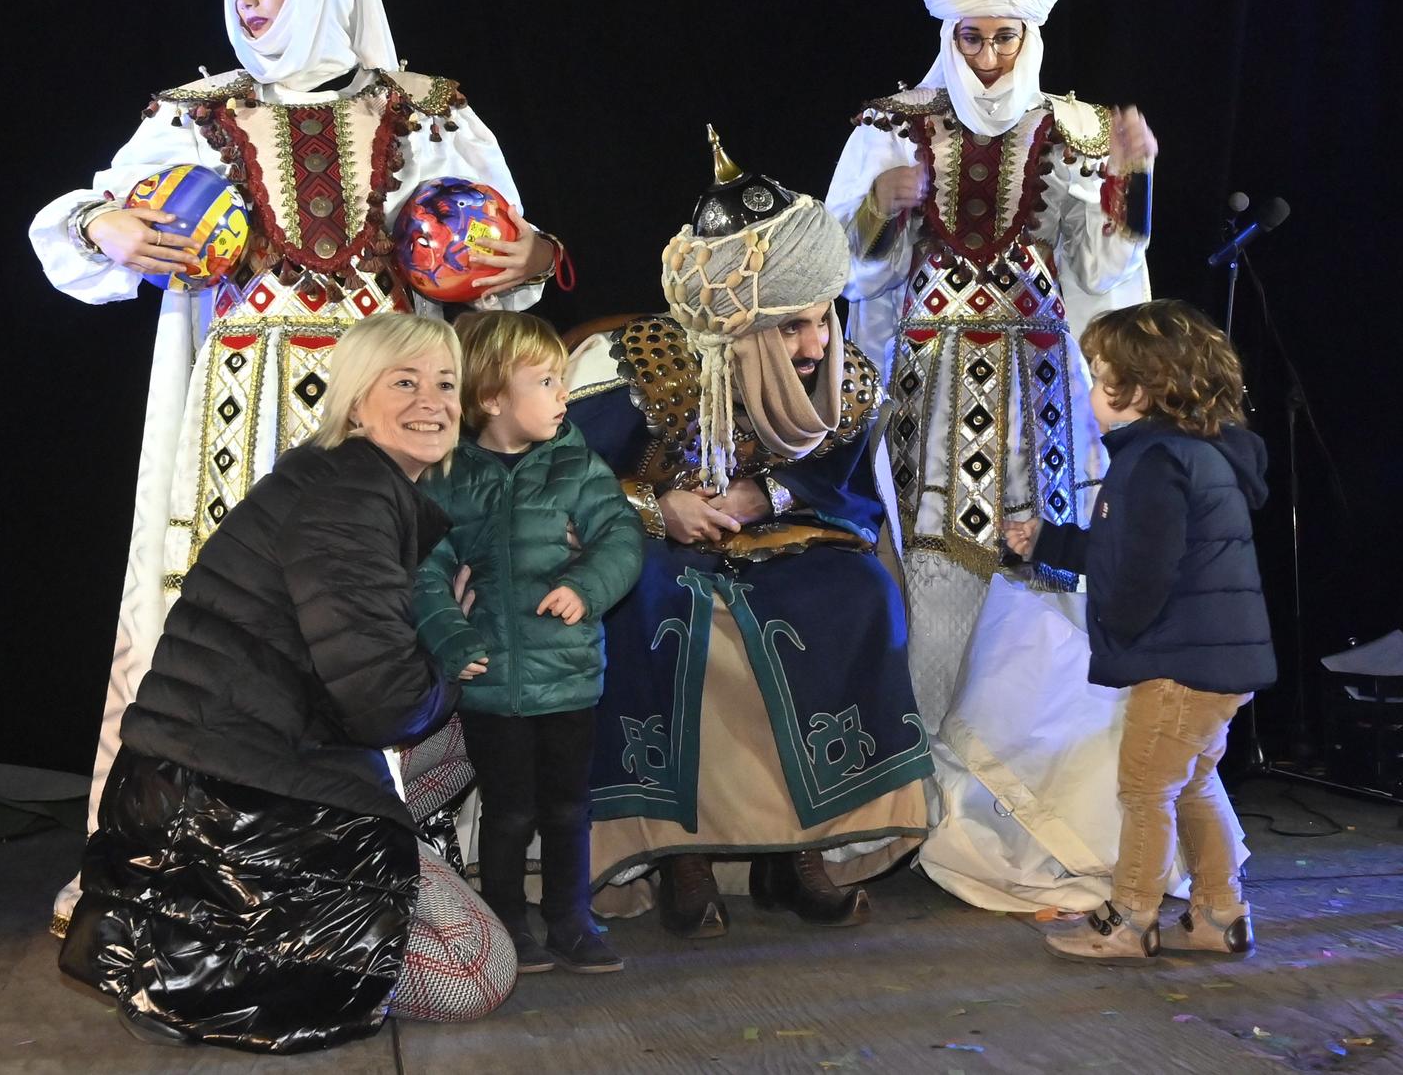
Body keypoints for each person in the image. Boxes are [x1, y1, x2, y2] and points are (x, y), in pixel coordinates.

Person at [29, 0, 560, 930]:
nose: (253, 0)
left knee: (385, 616)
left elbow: (511, 257)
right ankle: (177, 848)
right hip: (239, 424)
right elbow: (76, 225)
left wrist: (534, 252)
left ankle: (397, 858)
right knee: (227, 627)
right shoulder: (196, 119)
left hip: (387, 420)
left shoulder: (425, 112)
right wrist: (105, 229)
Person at [823, 0, 1186, 912]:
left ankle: (1023, 813)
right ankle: (914, 810)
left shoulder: (1074, 130)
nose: (986, 55)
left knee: (1042, 592)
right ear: (947, 33)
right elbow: (838, 270)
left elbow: (1105, 271)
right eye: (970, 35)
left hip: (1042, 400)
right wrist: (876, 216)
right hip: (926, 396)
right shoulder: (888, 128)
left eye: (1003, 36)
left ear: (1030, 34)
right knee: (934, 592)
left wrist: (1131, 185)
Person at [58, 313, 515, 1052]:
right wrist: (445, 664)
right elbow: (387, 701)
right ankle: (282, 962)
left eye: (445, 383)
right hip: (241, 811)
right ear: (355, 400)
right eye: (404, 381)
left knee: (471, 733)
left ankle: (383, 894)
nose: (431, 400)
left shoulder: (340, 479)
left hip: (205, 788)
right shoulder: (353, 495)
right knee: (479, 972)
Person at [564, 134, 931, 938]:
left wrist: (768, 492)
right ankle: (677, 854)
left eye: (821, 320)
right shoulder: (639, 368)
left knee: (855, 593)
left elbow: (850, 489)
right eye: (791, 327)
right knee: (655, 601)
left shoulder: (843, 378)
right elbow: (565, 485)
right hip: (658, 542)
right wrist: (662, 509)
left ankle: (802, 849)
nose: (814, 346)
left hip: (787, 540)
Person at [1000, 300, 1274, 965]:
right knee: (1194, 781)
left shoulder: (1153, 460)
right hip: (1218, 659)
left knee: (1145, 791)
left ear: (1142, 389)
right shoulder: (1197, 453)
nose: (1091, 392)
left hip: (1182, 663)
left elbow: (1141, 574)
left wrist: (1119, 633)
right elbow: (1131, 546)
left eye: (1099, 378)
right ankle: (1219, 912)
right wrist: (1050, 542)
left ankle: (1130, 917)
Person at [412, 312, 645, 974]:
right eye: (545, 381)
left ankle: (572, 918)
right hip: (490, 682)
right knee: (508, 810)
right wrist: (451, 639)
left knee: (570, 805)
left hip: (567, 675)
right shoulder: (450, 477)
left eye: (561, 381)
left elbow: (621, 538)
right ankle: (508, 922)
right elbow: (424, 569)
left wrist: (588, 586)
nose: (562, 395)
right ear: (491, 397)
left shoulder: (577, 467)